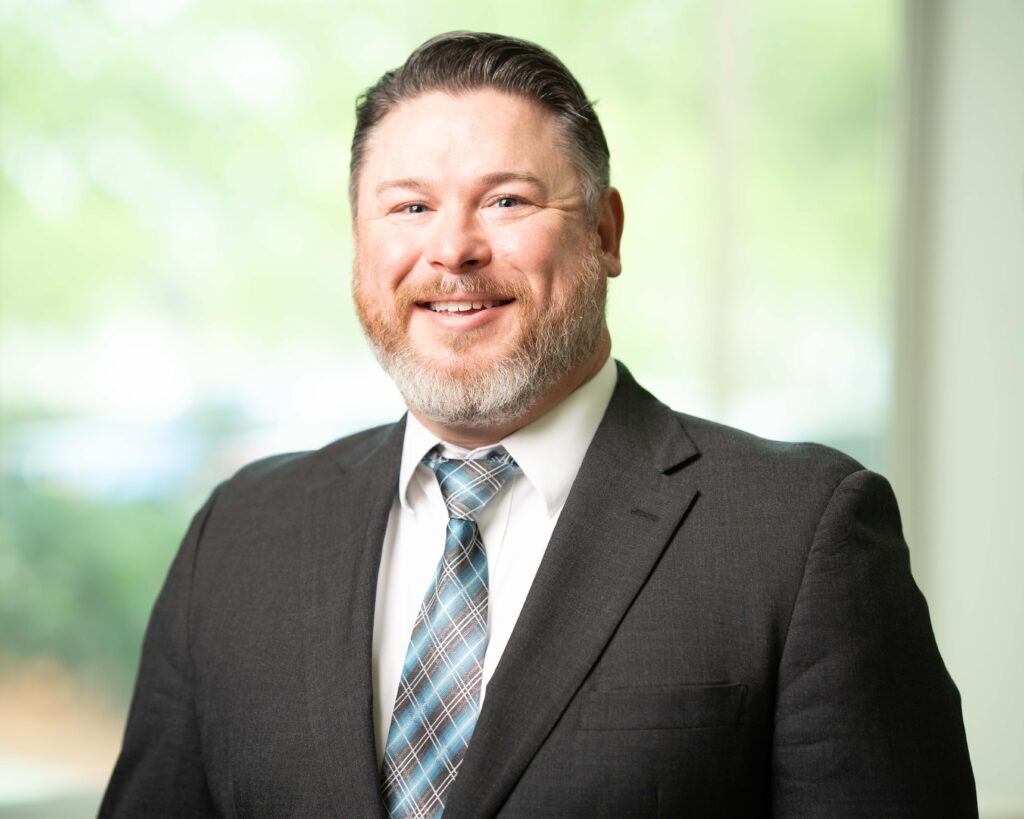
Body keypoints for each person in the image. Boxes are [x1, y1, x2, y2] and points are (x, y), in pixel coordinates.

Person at [100, 31, 976, 818]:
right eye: (409, 207)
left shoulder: (798, 533)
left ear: (605, 231)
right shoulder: (241, 535)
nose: (453, 249)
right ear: (361, 247)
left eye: (508, 201)